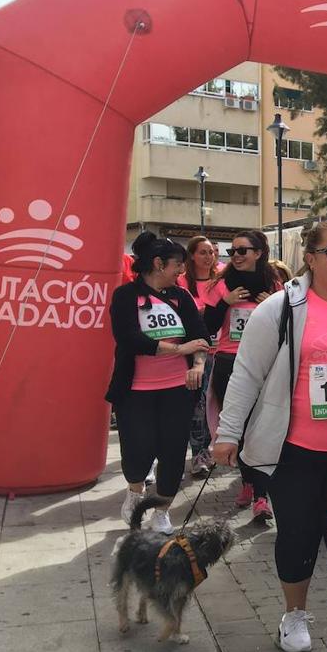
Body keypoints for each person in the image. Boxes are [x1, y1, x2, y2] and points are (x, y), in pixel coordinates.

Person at [214, 222, 327, 652]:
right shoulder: (282, 308)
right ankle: (293, 615)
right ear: (310, 258)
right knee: (298, 535)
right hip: (297, 451)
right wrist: (228, 433)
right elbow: (246, 373)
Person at [108, 232, 209, 535]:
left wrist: (199, 364)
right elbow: (129, 339)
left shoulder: (181, 296)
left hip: (177, 391)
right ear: (158, 263)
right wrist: (178, 349)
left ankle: (162, 510)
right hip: (135, 392)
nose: (181, 271)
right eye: (178, 265)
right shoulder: (126, 296)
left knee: (173, 453)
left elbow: (200, 336)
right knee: (138, 450)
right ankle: (135, 492)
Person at [204, 229, 280, 518]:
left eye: (242, 251)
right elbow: (208, 327)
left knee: (261, 428)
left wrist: (268, 306)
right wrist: (226, 302)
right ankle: (248, 483)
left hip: (266, 365)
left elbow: (287, 325)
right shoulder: (219, 286)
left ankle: (262, 496)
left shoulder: (273, 285)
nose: (235, 256)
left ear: (258, 253)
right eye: (232, 251)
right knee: (242, 429)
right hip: (229, 362)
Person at [178, 235, 219, 478]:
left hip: (219, 351)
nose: (208, 257)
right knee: (196, 406)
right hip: (191, 354)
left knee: (212, 406)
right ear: (192, 255)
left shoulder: (219, 281)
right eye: (202, 252)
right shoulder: (181, 282)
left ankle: (209, 450)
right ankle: (197, 454)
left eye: (211, 252)